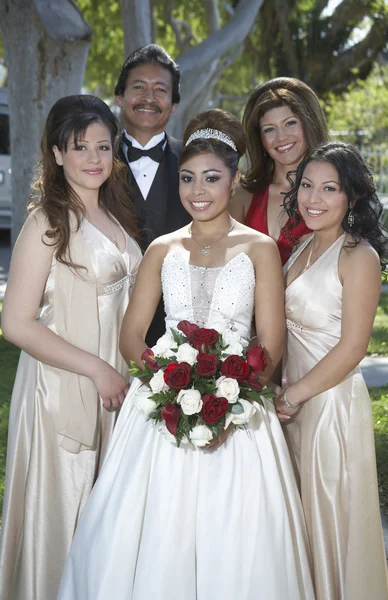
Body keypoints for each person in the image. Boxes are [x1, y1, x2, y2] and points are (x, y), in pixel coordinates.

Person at [58, 109, 315, 600]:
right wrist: (166, 385)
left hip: (240, 411)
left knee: (237, 538)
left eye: (212, 178)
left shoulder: (260, 248)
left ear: (234, 180)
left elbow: (271, 342)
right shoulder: (160, 248)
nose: (198, 190)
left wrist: (236, 390)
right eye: (188, 178)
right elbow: (133, 335)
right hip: (161, 410)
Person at [0, 95, 142, 600]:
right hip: (63, 391)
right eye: (80, 146)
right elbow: (15, 324)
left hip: (116, 389)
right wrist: (96, 370)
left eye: (103, 146)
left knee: (107, 518)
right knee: (64, 515)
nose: (94, 158)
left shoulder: (114, 213)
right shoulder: (47, 223)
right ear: (57, 154)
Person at [274, 141, 388, 599]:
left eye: (329, 188)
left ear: (352, 198)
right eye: (306, 185)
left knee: (332, 518)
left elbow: (353, 347)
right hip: (294, 403)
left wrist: (293, 395)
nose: (314, 198)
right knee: (299, 517)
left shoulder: (358, 256)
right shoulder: (300, 245)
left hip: (329, 407)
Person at [115, 43, 191, 345]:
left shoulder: (195, 164)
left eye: (160, 90)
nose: (149, 98)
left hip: (178, 331)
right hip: (106, 322)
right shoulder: (94, 162)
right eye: (139, 87)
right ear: (120, 97)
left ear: (173, 104)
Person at [230, 77, 329, 265]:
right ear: (259, 138)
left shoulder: (337, 192)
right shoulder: (243, 195)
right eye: (269, 129)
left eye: (290, 123)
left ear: (310, 123)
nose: (281, 137)